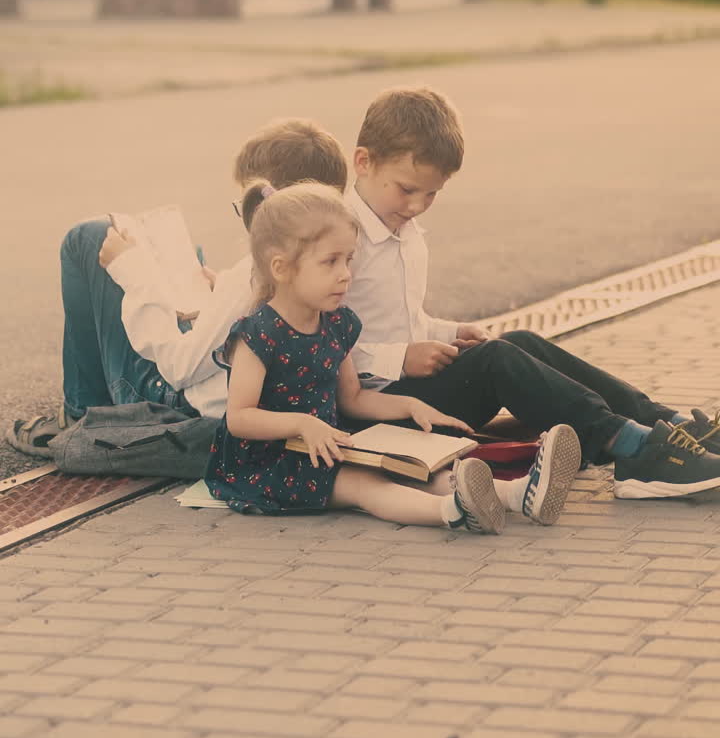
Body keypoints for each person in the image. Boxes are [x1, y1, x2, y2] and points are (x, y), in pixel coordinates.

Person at [344, 85, 720, 501]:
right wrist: (399, 358)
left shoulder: (403, 231)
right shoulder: (340, 241)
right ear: (363, 162)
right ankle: (632, 449)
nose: (416, 205)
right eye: (406, 189)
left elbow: (401, 319)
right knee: (495, 361)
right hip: (372, 412)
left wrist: (450, 332)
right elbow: (314, 345)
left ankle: (671, 426)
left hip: (412, 391)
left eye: (431, 193)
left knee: (517, 341)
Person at [206, 179, 581, 531]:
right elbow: (240, 418)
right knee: (367, 486)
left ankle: (519, 495)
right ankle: (452, 512)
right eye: (330, 262)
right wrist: (303, 424)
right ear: (281, 268)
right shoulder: (258, 335)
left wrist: (408, 407)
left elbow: (352, 399)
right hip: (269, 462)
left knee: (416, 469)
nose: (345, 275)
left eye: (349, 260)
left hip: (326, 444)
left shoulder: (335, 323)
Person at [7, 119, 349, 457]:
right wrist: (219, 297)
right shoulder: (332, 264)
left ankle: (83, 414)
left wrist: (132, 273)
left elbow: (177, 368)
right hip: (228, 391)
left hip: (178, 404)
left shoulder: (252, 277)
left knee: (88, 237)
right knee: (188, 259)